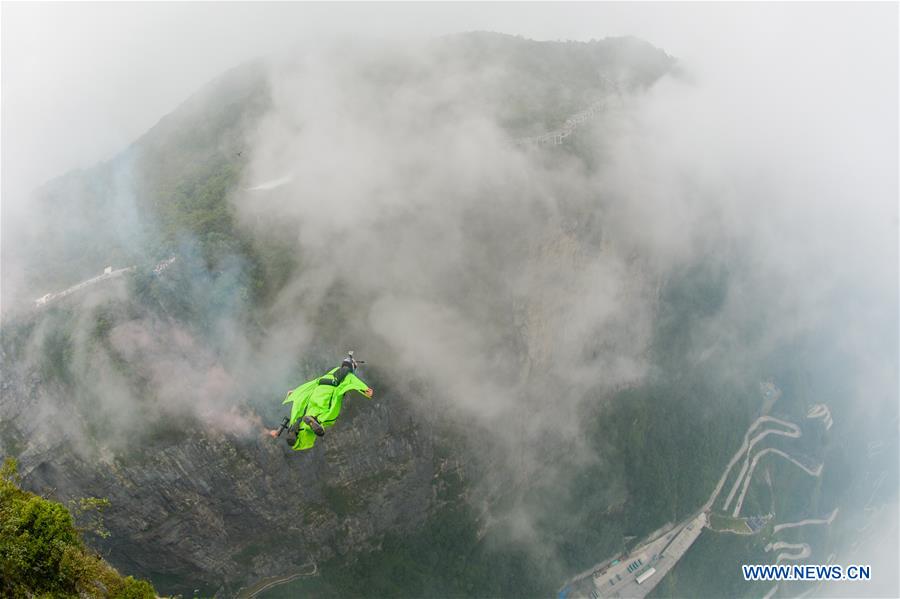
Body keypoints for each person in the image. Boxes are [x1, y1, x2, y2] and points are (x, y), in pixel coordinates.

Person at [268, 353, 374, 450]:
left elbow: (312, 384)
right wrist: (365, 389)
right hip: (327, 395)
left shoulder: (327, 374)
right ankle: (316, 422)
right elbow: (355, 382)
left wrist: (295, 391)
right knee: (329, 416)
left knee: (308, 414)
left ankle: (296, 429)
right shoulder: (348, 375)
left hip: (315, 394)